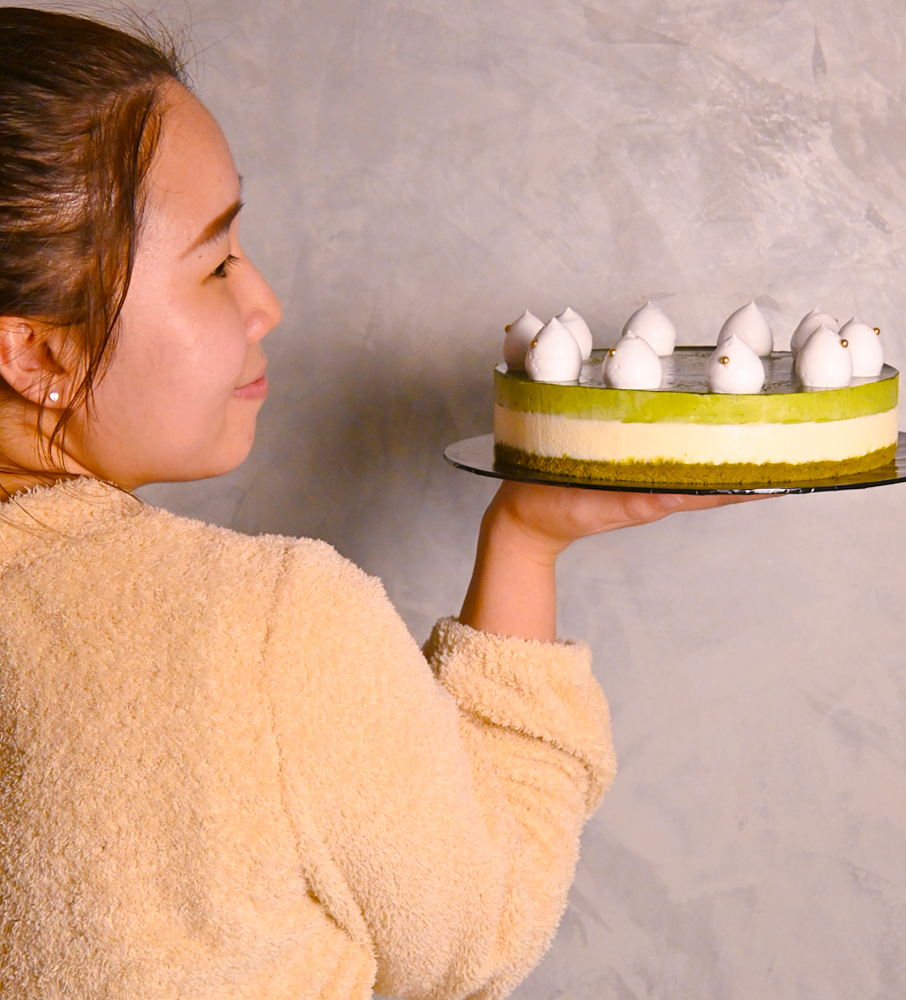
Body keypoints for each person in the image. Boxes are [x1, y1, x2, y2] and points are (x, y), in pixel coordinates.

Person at [0, 8, 756, 998]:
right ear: (37, 353)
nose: (265, 302)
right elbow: (485, 928)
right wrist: (524, 542)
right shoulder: (259, 625)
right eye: (217, 263)